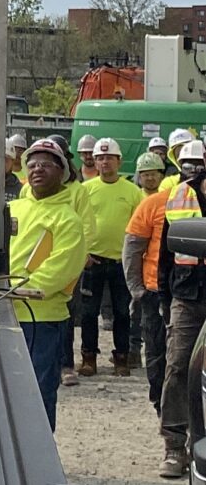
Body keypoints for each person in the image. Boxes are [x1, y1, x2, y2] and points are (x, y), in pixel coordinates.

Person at [8, 137, 86, 431]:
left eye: (46, 164)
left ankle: (38, 459)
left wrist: (19, 289)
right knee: (4, 391)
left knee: (38, 391)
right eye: (32, 164)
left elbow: (62, 267)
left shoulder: (68, 220)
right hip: (2, 312)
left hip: (41, 318)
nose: (37, 169)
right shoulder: (13, 209)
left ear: (62, 172)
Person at [157, 137, 206, 478]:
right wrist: (163, 297)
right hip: (188, 296)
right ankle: (175, 446)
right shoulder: (182, 193)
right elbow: (166, 250)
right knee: (178, 366)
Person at [79, 136, 142, 377]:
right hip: (91, 260)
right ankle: (88, 358)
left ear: (119, 161)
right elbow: (77, 224)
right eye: (100, 158)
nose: (105, 162)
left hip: (121, 262)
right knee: (88, 313)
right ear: (94, 161)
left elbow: (139, 228)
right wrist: (82, 253)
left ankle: (122, 358)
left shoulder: (132, 192)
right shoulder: (85, 190)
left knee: (122, 312)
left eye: (109, 158)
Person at [123, 150, 170, 415]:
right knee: (157, 348)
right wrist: (137, 288)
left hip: (194, 293)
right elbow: (132, 247)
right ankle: (160, 402)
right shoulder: (153, 204)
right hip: (155, 290)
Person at [162, 129, 196, 194]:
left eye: (187, 152)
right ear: (173, 158)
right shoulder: (169, 183)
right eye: (179, 154)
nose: (184, 157)